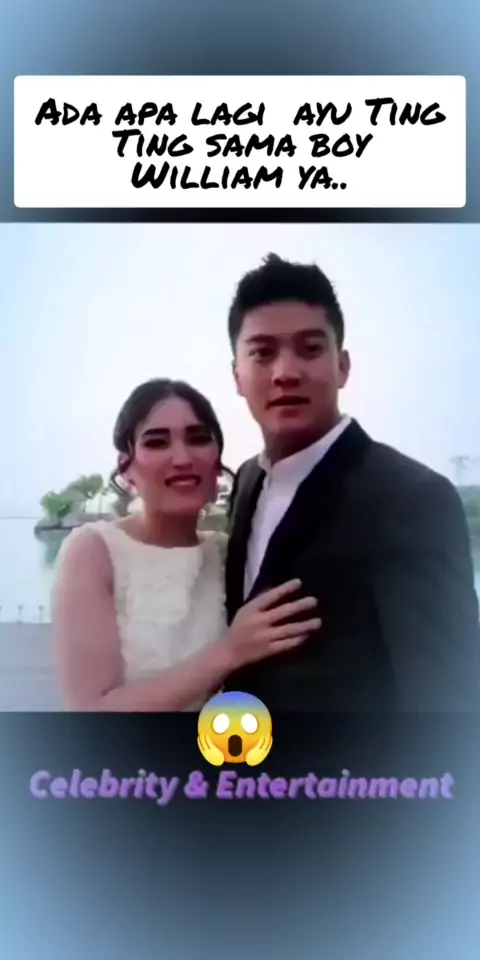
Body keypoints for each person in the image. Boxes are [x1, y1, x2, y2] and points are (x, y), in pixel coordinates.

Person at [223, 254, 480, 711]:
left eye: (310, 349)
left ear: (342, 366)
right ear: (237, 376)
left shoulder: (411, 497)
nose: (286, 372)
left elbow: (447, 699)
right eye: (262, 353)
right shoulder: (246, 481)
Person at [52, 378, 320, 711]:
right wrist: (229, 652)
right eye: (157, 442)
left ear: (216, 460)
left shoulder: (227, 553)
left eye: (198, 438)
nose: (182, 458)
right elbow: (92, 711)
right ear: (126, 465)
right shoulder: (94, 551)